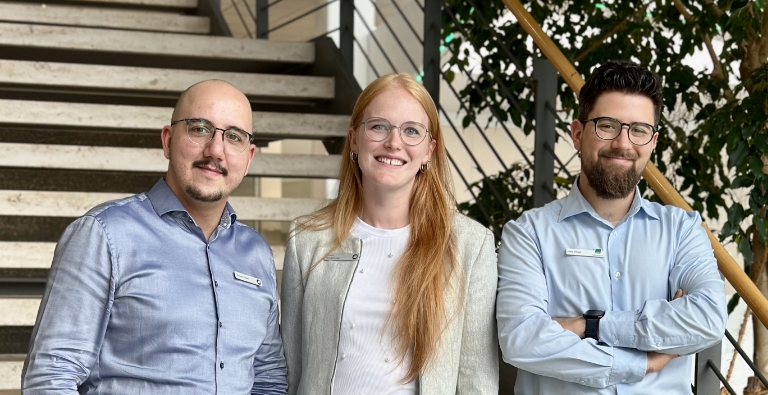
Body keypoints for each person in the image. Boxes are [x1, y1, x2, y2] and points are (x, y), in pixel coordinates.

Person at [21, 80, 288, 394]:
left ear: (249, 158)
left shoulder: (255, 253)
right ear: (168, 140)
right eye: (199, 128)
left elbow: (268, 380)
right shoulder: (105, 235)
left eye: (233, 136)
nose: (216, 150)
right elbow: (51, 377)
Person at [496, 60, 727, 394]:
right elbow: (521, 340)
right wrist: (643, 362)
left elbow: (707, 320)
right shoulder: (528, 234)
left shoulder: (682, 230)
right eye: (607, 125)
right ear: (577, 134)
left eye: (639, 130)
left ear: (653, 142)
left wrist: (589, 326)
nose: (623, 143)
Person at [280, 73, 498, 394]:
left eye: (411, 131)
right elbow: (292, 367)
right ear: (354, 139)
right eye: (379, 126)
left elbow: (476, 379)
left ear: (428, 150)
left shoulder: (471, 246)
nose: (394, 143)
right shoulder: (307, 239)